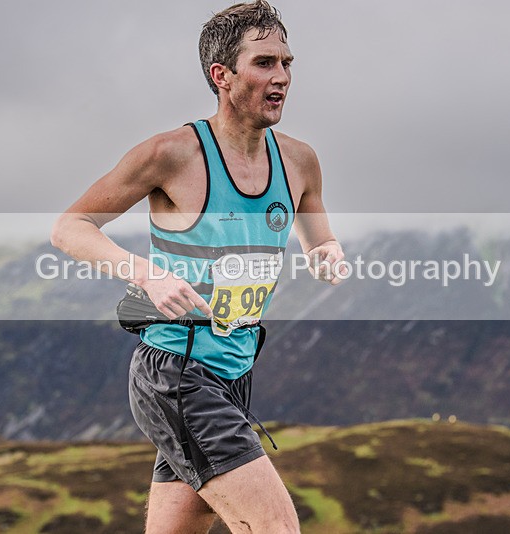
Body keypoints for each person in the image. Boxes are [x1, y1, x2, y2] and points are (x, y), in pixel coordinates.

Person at [51, 1, 344, 532]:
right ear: (221, 75)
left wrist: (327, 254)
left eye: (287, 63)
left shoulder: (300, 161)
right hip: (176, 374)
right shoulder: (171, 154)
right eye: (264, 63)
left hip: (235, 374)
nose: (282, 77)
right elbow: (71, 227)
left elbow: (319, 238)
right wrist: (146, 274)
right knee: (277, 528)